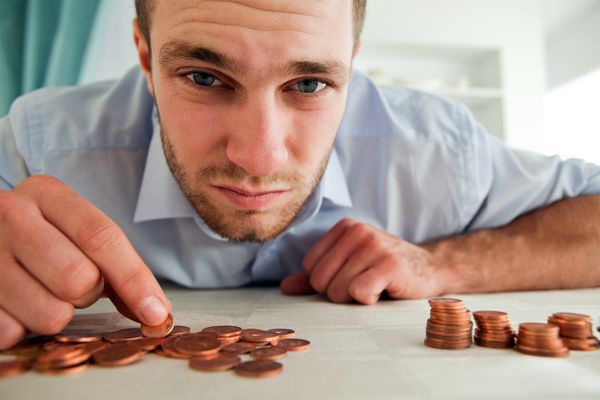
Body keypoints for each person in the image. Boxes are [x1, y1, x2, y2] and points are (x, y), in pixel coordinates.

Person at [1, 0, 599, 350]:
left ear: (352, 65)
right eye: (204, 78)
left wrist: (445, 263)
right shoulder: (42, 143)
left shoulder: (439, 152)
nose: (258, 159)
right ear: (144, 57)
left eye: (309, 84)